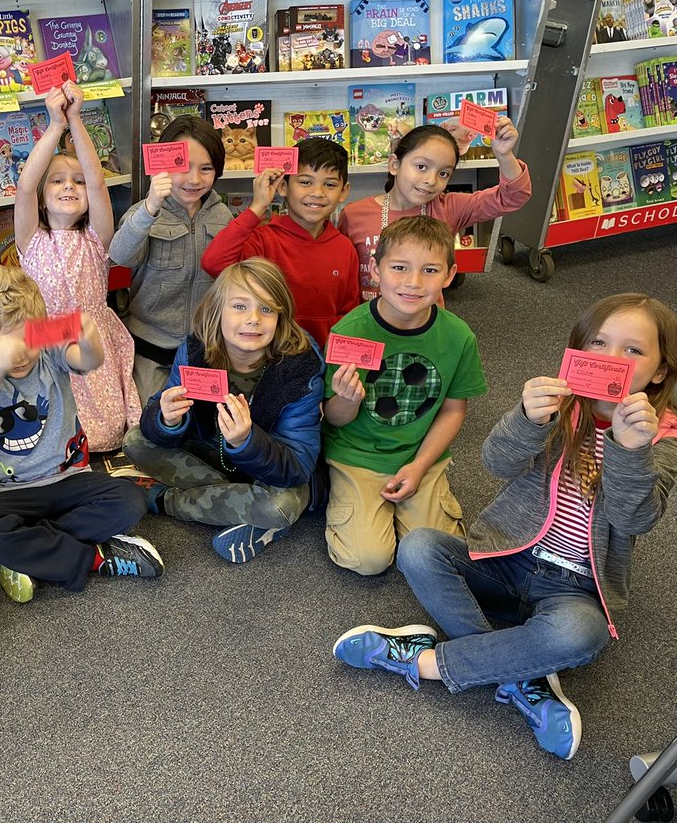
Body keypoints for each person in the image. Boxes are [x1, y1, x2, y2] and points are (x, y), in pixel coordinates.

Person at [333, 293, 677, 761]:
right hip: (506, 559)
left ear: (659, 370)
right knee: (418, 548)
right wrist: (527, 420)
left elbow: (635, 519)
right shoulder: (556, 404)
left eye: (633, 350)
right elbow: (495, 462)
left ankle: (423, 659)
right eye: (599, 343)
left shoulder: (662, 436)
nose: (611, 359)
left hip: (572, 587)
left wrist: (629, 450)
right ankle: (520, 673)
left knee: (582, 635)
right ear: (578, 350)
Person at [0, 265, 161, 604]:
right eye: (3, 343)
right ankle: (96, 558)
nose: (19, 353)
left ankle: (30, 552)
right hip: (7, 492)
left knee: (130, 501)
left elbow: (89, 360)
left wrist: (89, 335)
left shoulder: (50, 354)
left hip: (68, 478)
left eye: (27, 338)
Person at [124, 258, 324, 564]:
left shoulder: (300, 366)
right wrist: (166, 419)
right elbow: (156, 420)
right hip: (212, 456)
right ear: (217, 310)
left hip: (271, 473)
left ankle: (166, 500)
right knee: (136, 441)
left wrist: (247, 441)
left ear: (281, 318)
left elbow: (298, 466)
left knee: (280, 506)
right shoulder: (195, 348)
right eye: (240, 306)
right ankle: (242, 506)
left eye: (266, 309)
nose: (254, 319)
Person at [323, 215, 488, 576]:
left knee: (435, 553)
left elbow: (453, 409)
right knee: (369, 560)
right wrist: (347, 399)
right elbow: (332, 418)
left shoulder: (458, 337)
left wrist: (420, 465)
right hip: (357, 456)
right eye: (399, 267)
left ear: (449, 276)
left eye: (430, 271)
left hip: (420, 456)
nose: (413, 282)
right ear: (375, 269)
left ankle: (412, 497)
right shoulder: (350, 332)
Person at [15, 81, 140, 452]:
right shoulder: (31, 239)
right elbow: (24, 187)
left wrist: (76, 120)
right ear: (42, 199)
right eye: (57, 181)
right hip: (44, 339)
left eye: (77, 182)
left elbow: (99, 184)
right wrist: (54, 126)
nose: (69, 186)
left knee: (102, 436)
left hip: (91, 339)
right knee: (45, 432)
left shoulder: (96, 240)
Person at [110, 115, 231, 405]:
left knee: (198, 428)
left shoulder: (223, 215)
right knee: (149, 427)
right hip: (150, 349)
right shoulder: (144, 212)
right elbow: (120, 255)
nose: (194, 180)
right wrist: (151, 208)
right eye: (183, 168)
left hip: (205, 347)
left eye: (206, 169)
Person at [337, 121, 531, 301]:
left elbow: (512, 196)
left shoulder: (448, 208)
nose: (431, 180)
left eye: (443, 173)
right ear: (395, 165)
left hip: (425, 325)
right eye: (421, 166)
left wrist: (504, 155)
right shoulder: (354, 215)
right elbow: (341, 274)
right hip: (368, 325)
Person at [201, 137, 359, 348]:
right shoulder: (263, 239)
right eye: (305, 182)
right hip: (269, 358)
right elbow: (213, 264)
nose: (317, 193)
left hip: (323, 362)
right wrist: (257, 207)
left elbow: (348, 314)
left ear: (344, 191)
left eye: (330, 184)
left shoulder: (344, 247)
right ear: (283, 187)